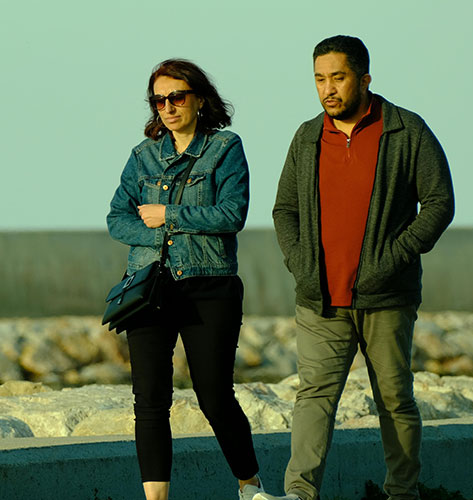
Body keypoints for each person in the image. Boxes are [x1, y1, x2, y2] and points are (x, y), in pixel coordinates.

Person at [254, 36, 455, 500]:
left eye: (338, 78)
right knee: (313, 397)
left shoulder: (406, 130)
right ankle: (299, 493)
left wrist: (393, 259)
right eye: (319, 79)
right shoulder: (307, 136)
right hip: (320, 298)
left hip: (386, 296)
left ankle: (402, 493)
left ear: (364, 79)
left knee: (395, 399)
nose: (328, 89)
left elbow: (439, 203)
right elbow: (285, 209)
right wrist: (301, 264)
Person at [106, 58, 264, 500]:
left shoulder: (225, 148)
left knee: (214, 395)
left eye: (176, 97)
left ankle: (250, 486)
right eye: (159, 100)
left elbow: (231, 214)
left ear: (200, 99)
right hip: (148, 286)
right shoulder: (142, 156)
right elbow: (117, 219)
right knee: (149, 400)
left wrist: (168, 215)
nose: (168, 107)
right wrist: (160, 232)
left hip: (209, 285)